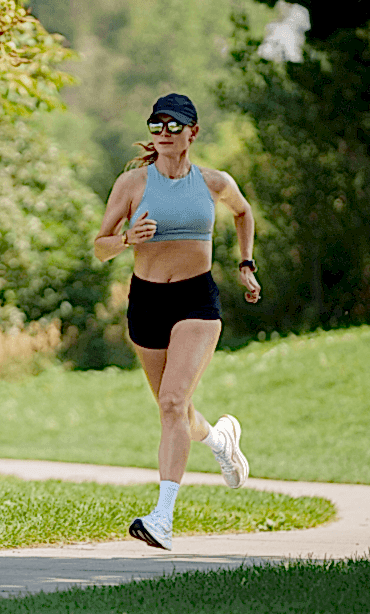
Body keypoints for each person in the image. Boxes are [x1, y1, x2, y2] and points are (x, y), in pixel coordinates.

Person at [93, 93, 261, 551]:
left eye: (174, 125)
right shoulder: (131, 183)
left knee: (171, 403)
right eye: (157, 125)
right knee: (177, 410)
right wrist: (127, 238)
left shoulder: (212, 182)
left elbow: (244, 212)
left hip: (195, 300)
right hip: (146, 301)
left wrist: (246, 264)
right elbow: (99, 245)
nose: (164, 133)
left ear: (193, 132)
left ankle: (162, 518)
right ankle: (220, 439)